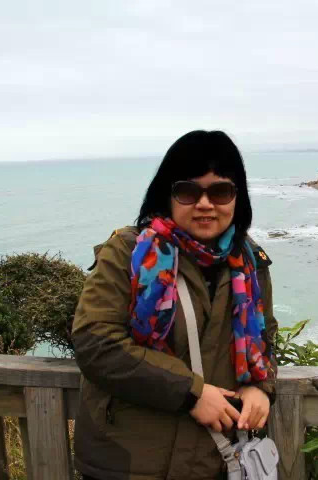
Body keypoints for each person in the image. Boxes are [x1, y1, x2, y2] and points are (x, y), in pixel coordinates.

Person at [71, 130, 278, 480]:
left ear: (237, 198)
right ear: (167, 194)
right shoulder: (130, 252)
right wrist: (190, 394)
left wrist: (262, 386)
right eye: (188, 191)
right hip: (128, 464)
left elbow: (266, 334)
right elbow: (96, 341)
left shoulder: (248, 262)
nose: (205, 203)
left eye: (220, 191)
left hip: (214, 461)